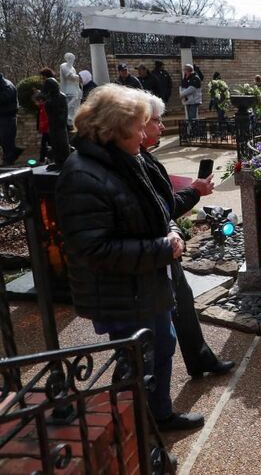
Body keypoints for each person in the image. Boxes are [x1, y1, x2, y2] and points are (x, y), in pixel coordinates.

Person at [54, 84, 204, 432]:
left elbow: (157, 207)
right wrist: (163, 249)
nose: (146, 132)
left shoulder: (127, 158)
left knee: (162, 346)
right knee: (140, 362)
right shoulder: (82, 175)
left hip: (146, 282)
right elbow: (93, 250)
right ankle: (140, 431)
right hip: (122, 292)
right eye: (139, 126)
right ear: (114, 127)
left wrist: (173, 233)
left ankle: (159, 416)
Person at [142, 96, 235, 380]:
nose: (161, 127)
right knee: (157, 335)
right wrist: (194, 192)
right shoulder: (133, 161)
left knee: (183, 302)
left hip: (165, 247)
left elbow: (160, 206)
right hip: (148, 255)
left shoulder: (142, 157)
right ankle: (151, 403)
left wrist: (172, 229)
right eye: (156, 121)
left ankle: (201, 358)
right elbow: (161, 205)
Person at [0, 73, 21, 166]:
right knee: (4, 141)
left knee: (7, 141)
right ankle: (8, 158)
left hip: (8, 117)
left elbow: (4, 99)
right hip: (3, 116)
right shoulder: (4, 85)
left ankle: (9, 161)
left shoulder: (7, 86)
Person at [179, 64, 202, 135]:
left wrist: (182, 94)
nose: (184, 71)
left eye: (185, 70)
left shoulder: (195, 78)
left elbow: (191, 89)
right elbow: (182, 87)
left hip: (194, 101)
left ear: (188, 70)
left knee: (192, 118)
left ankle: (196, 132)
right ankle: (193, 132)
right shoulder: (185, 78)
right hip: (188, 101)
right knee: (190, 118)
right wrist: (182, 94)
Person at [33, 90, 49, 163]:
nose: (35, 103)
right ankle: (42, 159)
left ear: (40, 100)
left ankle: (44, 159)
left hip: (47, 130)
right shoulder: (42, 108)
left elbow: (45, 120)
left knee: (45, 145)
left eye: (36, 101)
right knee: (44, 145)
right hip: (45, 130)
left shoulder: (44, 108)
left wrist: (42, 128)